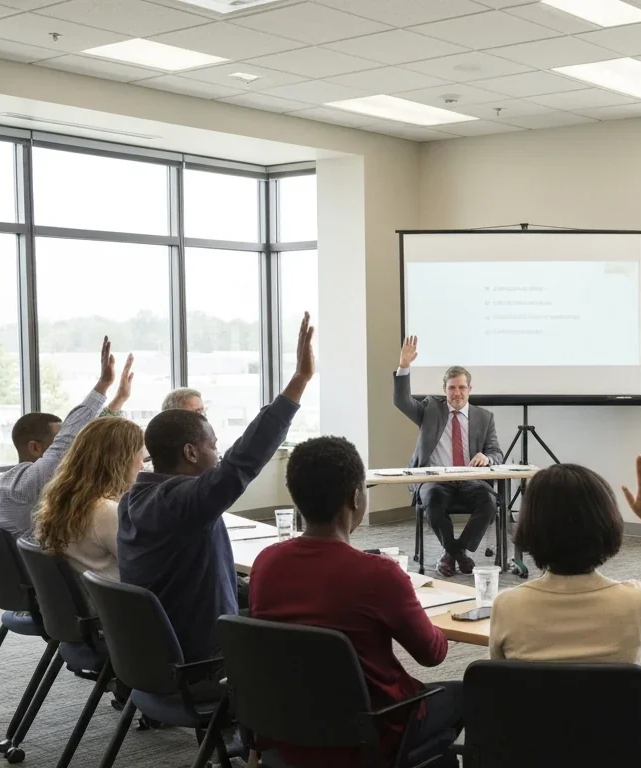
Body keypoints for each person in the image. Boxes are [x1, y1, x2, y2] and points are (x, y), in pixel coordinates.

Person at [118, 313, 315, 666]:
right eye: (213, 446)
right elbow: (242, 462)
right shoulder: (183, 502)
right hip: (205, 656)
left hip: (158, 649)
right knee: (313, 623)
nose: (218, 454)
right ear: (191, 453)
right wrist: (299, 381)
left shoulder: (132, 498)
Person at [250, 436, 459, 768]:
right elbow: (432, 654)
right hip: (373, 731)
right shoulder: (378, 574)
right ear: (356, 496)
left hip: (288, 728)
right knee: (467, 694)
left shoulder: (266, 563)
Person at [489, 453, 641, 662]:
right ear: (608, 523)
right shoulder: (639, 601)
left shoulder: (507, 606)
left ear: (529, 527)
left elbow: (497, 677)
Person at [0, 338, 133, 540]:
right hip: (45, 559)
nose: (73, 447)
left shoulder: (3, 484)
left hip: (29, 559)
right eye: (57, 441)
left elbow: (84, 437)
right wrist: (103, 384)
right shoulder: (29, 484)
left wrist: (118, 401)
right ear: (35, 448)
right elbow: (69, 438)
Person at [393, 336, 503, 578]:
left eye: (462, 387)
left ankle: (453, 552)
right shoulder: (430, 409)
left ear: (470, 390)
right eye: (452, 388)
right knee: (432, 501)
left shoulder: (485, 417)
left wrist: (487, 457)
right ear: (445, 390)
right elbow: (401, 401)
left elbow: (496, 452)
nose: (457, 393)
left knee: (489, 503)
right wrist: (404, 366)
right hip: (436, 479)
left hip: (470, 479)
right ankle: (459, 554)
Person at [33, 417, 145, 580]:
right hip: (115, 594)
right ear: (121, 460)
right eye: (140, 455)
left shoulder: (65, 497)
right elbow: (146, 566)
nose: (142, 464)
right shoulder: (105, 511)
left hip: (83, 592)